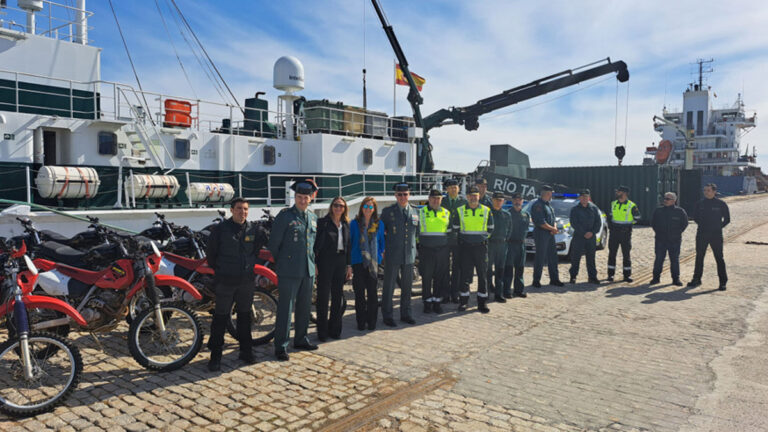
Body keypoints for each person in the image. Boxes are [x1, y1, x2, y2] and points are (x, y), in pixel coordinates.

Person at [205, 197, 265, 371]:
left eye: (245, 209)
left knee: (245, 317)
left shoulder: (254, 229)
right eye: (239, 208)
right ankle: (215, 356)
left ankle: (246, 351)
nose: (242, 212)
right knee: (221, 318)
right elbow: (211, 254)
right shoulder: (221, 229)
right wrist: (221, 270)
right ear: (231, 210)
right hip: (226, 280)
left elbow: (259, 247)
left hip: (246, 280)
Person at [268, 180, 319, 361]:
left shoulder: (313, 218)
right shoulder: (285, 216)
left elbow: (312, 245)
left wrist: (313, 265)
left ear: (310, 198)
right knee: (285, 309)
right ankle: (281, 345)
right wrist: (283, 263)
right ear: (295, 197)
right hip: (289, 270)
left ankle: (301, 339)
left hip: (308, 269)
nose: (302, 200)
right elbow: (274, 244)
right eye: (299, 197)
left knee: (304, 307)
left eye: (305, 197)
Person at [380, 183, 419, 326]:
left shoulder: (415, 211)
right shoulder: (387, 212)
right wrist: (382, 251)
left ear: (409, 195)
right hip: (392, 253)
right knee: (389, 286)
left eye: (405, 194)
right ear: (395, 195)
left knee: (407, 286)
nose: (403, 197)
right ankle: (388, 315)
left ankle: (406, 314)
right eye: (400, 194)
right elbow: (381, 234)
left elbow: (418, 232)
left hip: (409, 254)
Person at [451, 186, 494, 313]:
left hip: (481, 247)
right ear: (467, 197)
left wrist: (481, 238)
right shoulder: (460, 210)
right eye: (471, 195)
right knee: (464, 275)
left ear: (479, 196)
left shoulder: (487, 210)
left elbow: (491, 228)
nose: (473, 198)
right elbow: (455, 227)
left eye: (475, 195)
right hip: (465, 247)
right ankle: (463, 302)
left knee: (482, 275)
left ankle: (482, 303)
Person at [314, 197, 351, 341]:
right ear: (331, 207)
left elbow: (348, 247)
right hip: (325, 261)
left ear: (344, 208)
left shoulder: (345, 224)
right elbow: (316, 245)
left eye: (341, 206)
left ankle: (335, 330)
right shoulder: (323, 223)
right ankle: (322, 332)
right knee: (323, 297)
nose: (338, 208)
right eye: (336, 205)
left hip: (341, 261)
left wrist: (349, 266)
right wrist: (315, 264)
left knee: (337, 298)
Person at [350, 197, 385, 331]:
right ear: (361, 208)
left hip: (373, 264)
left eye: (371, 207)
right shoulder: (354, 223)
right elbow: (351, 241)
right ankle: (360, 321)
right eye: (366, 206)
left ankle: (372, 322)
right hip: (358, 261)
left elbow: (382, 242)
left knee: (372, 293)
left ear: (374, 209)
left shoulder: (379, 224)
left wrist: (379, 257)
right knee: (359, 293)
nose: (368, 209)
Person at [689, 183, 730, 290]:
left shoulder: (721, 204)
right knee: (699, 257)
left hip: (716, 235)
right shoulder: (700, 204)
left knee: (719, 258)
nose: (706, 192)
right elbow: (695, 217)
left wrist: (717, 227)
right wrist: (703, 225)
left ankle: (723, 282)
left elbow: (727, 219)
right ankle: (696, 279)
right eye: (705, 190)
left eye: (708, 190)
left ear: (714, 191)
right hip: (702, 234)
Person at [418, 189, 452, 313]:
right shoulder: (421, 212)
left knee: (439, 278)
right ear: (429, 198)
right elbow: (416, 232)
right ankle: (427, 303)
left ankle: (437, 302)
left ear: (441, 199)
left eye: (438, 198)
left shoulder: (446, 213)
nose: (435, 201)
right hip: (426, 250)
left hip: (442, 251)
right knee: (426, 278)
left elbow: (450, 232)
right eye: (433, 198)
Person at [650, 192, 688, 286]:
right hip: (660, 239)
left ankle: (676, 279)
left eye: (668, 199)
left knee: (674, 260)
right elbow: (653, 223)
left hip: (674, 240)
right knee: (659, 259)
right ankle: (656, 278)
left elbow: (684, 224)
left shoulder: (680, 211)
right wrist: (659, 232)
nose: (665, 200)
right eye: (665, 198)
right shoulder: (658, 211)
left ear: (674, 201)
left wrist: (677, 233)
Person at [530, 185, 564, 287]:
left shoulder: (548, 205)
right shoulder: (538, 205)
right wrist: (552, 229)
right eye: (550, 193)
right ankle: (536, 281)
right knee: (540, 257)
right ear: (546, 193)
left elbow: (552, 219)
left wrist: (554, 227)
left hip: (549, 234)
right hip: (541, 234)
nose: (551, 195)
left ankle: (554, 279)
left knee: (553, 257)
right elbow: (540, 222)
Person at [606, 185, 640, 282]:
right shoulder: (613, 204)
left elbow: (637, 217)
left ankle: (627, 275)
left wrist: (628, 226)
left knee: (626, 255)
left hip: (625, 233)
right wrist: (611, 226)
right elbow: (609, 217)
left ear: (624, 194)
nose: (617, 193)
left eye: (619, 192)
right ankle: (610, 275)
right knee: (612, 254)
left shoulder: (631, 205)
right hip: (614, 233)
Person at [441, 178, 467, 304]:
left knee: (457, 267)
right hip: (445, 239)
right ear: (447, 189)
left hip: (458, 239)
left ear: (459, 188)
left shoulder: (463, 202)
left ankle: (455, 292)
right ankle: (445, 293)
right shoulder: (442, 201)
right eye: (450, 187)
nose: (453, 189)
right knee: (444, 266)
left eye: (455, 187)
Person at [568, 189, 601, 284]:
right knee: (575, 257)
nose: (584, 199)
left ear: (589, 198)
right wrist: (584, 233)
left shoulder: (594, 208)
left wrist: (592, 232)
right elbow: (574, 223)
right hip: (579, 236)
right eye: (582, 197)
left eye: (586, 197)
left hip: (591, 237)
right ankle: (573, 276)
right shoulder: (575, 209)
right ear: (579, 198)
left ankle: (592, 277)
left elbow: (598, 222)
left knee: (591, 258)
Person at [503, 193, 530, 298]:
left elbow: (527, 228)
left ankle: (519, 290)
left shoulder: (526, 215)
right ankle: (507, 291)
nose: (517, 202)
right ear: (512, 201)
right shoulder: (507, 214)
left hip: (521, 245)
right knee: (508, 268)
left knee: (520, 269)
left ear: (522, 201)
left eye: (519, 200)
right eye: (515, 200)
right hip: (510, 244)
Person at [487, 191, 511, 302]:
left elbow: (509, 231)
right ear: (492, 200)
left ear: (504, 201)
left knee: (500, 270)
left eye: (500, 200)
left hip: (502, 245)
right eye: (496, 200)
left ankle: (498, 294)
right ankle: (486, 293)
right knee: (487, 270)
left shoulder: (507, 215)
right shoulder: (487, 213)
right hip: (490, 245)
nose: (498, 202)